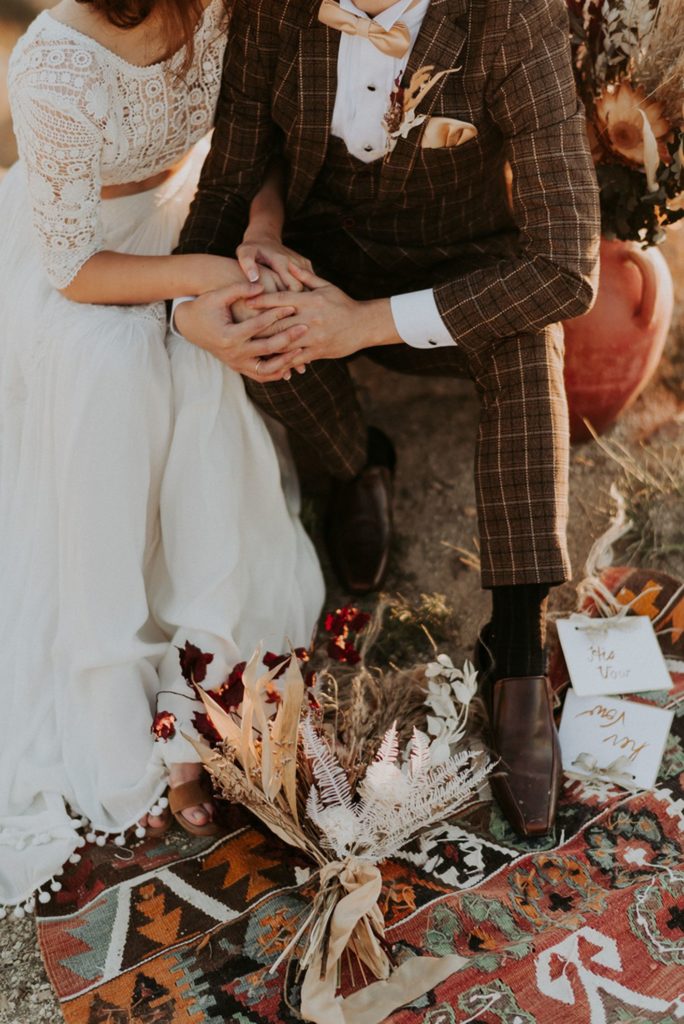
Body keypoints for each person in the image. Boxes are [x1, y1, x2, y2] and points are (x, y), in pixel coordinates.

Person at [171, 0, 601, 838]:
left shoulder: (514, 16)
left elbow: (567, 265)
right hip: (318, 250)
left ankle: (515, 650)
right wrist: (199, 298)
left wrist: (361, 325)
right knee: (255, 319)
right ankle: (357, 459)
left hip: (459, 265)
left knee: (529, 342)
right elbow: (233, 169)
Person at [0, 0, 324, 917]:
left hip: (194, 220)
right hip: (86, 264)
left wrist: (255, 234)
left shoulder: (224, 11)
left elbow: (257, 138)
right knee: (118, 374)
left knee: (206, 375)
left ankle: (201, 677)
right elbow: (71, 269)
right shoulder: (54, 63)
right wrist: (202, 280)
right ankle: (119, 702)